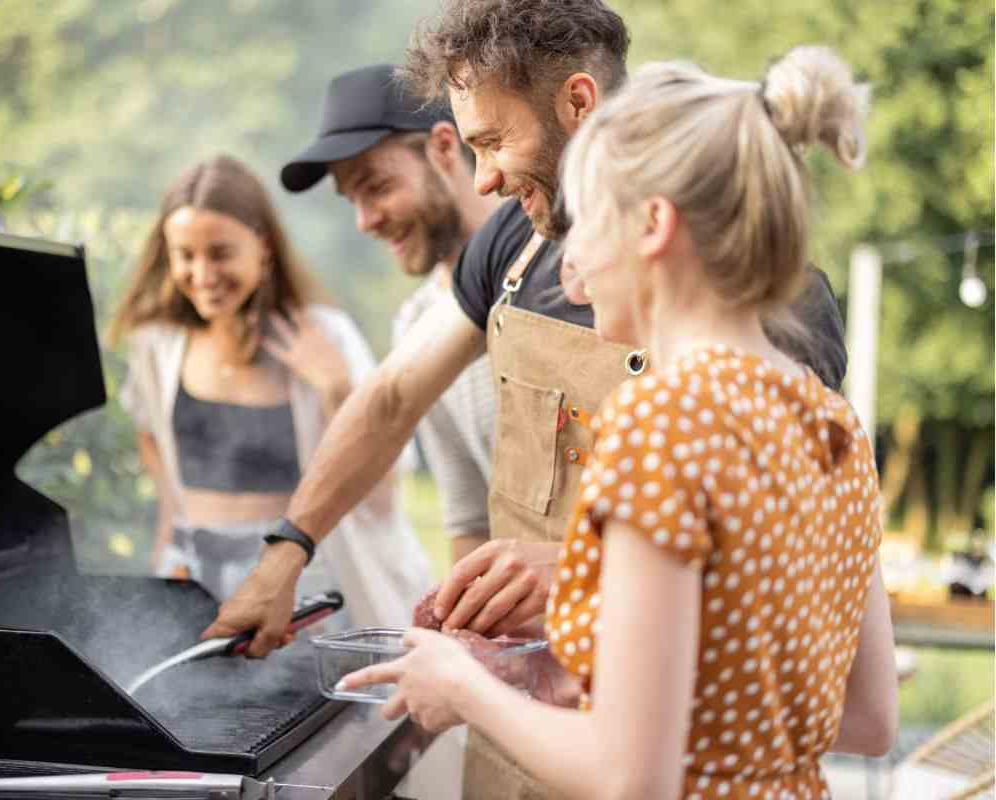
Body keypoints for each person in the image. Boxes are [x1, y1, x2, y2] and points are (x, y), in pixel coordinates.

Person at [340, 45, 899, 800]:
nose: (570, 270)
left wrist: (465, 690)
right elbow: (867, 719)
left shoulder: (660, 424)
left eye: (587, 226)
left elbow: (630, 777)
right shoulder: (832, 426)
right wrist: (573, 678)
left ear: (653, 227)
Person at [109, 154, 429, 628]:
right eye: (185, 255)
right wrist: (167, 541)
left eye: (220, 253)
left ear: (262, 246)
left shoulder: (326, 335)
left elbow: (386, 480)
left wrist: (337, 386)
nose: (203, 274)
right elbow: (152, 439)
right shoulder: (157, 346)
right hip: (192, 577)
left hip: (302, 579)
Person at [281, 63, 503, 566]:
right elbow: (471, 520)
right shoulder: (415, 323)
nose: (365, 221)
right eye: (352, 200)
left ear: (444, 148)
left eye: (376, 186)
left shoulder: (556, 270)